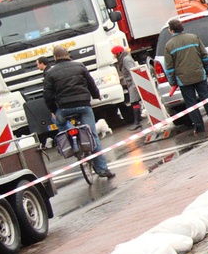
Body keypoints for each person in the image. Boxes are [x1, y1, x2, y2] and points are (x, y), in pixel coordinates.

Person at [43, 45, 115, 178]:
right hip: (83, 105)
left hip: (63, 108)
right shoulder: (79, 66)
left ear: (54, 57)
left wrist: (53, 110)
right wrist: (96, 95)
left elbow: (47, 96)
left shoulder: (50, 73)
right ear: (67, 55)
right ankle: (103, 169)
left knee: (58, 121)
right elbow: (91, 84)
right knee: (92, 135)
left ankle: (73, 139)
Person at [163, 18, 208, 135]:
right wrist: (207, 69)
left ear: (171, 30)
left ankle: (199, 128)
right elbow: (204, 55)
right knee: (206, 99)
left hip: (183, 80)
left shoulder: (169, 45)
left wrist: (172, 82)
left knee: (191, 104)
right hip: (199, 75)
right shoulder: (193, 38)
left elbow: (169, 67)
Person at [111, 45, 144, 131]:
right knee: (135, 102)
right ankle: (138, 120)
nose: (114, 56)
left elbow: (133, 71)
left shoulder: (126, 59)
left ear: (118, 53)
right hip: (130, 84)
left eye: (114, 54)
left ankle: (137, 122)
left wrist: (135, 84)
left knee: (134, 101)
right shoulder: (124, 59)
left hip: (133, 84)